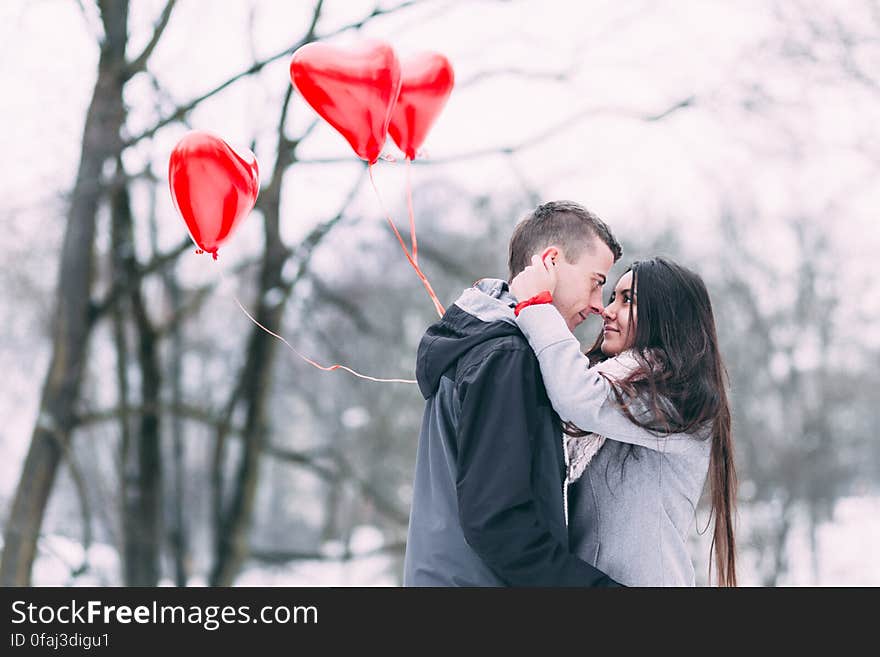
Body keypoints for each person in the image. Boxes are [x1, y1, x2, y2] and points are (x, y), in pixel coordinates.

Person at [403, 201, 623, 586]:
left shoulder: (483, 344)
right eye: (596, 282)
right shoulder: (505, 355)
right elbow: (499, 522)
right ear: (551, 262)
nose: (597, 306)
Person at [510, 255, 737, 586]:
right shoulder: (618, 389)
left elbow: (577, 397)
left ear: (667, 316)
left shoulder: (674, 399)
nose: (608, 310)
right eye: (612, 296)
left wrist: (536, 306)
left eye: (627, 300)